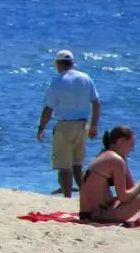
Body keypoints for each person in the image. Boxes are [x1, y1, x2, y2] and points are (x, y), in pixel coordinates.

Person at [36, 49, 101, 198]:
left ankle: (67, 197)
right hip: (83, 126)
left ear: (58, 64)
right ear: (72, 63)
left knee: (64, 166)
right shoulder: (85, 78)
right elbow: (96, 102)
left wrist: (41, 128)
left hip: (65, 126)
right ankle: (87, 196)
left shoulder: (58, 81)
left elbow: (48, 108)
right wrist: (94, 125)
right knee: (77, 165)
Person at [79, 126, 140, 224]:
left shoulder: (105, 155)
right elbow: (124, 197)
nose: (132, 149)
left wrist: (124, 162)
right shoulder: (115, 160)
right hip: (98, 214)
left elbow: (130, 188)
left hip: (89, 213)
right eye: (131, 144)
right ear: (121, 141)